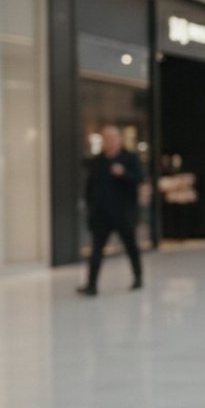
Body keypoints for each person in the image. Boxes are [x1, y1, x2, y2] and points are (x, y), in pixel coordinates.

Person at [78, 125, 143, 295]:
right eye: (106, 138)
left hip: (124, 213)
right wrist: (89, 206)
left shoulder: (129, 159)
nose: (109, 142)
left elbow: (139, 179)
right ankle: (91, 285)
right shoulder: (98, 161)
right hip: (102, 215)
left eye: (112, 138)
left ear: (119, 139)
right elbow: (90, 186)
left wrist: (123, 174)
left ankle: (138, 278)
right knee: (96, 250)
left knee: (131, 247)